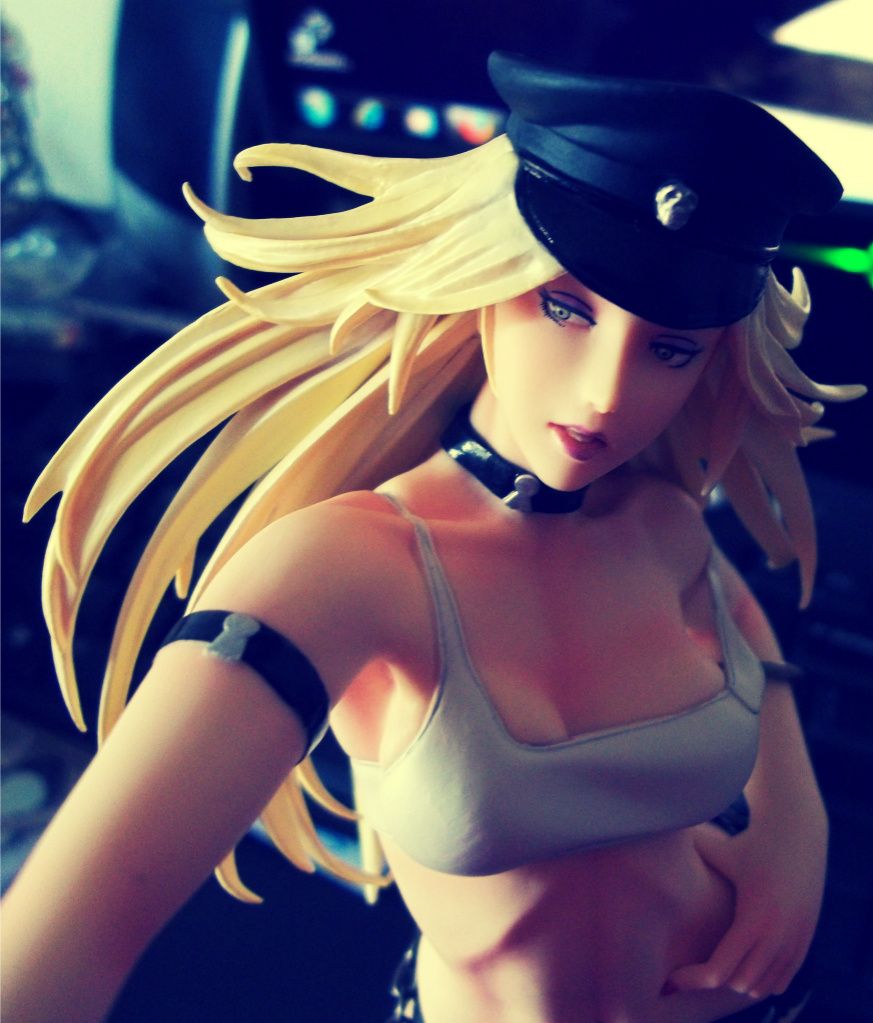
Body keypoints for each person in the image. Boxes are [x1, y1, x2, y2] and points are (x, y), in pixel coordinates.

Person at [2, 51, 866, 1023]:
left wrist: (794, 823)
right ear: (486, 279)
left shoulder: (660, 521)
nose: (604, 395)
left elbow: (742, 623)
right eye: (563, 308)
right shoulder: (343, 567)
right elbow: (77, 925)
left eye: (669, 350)